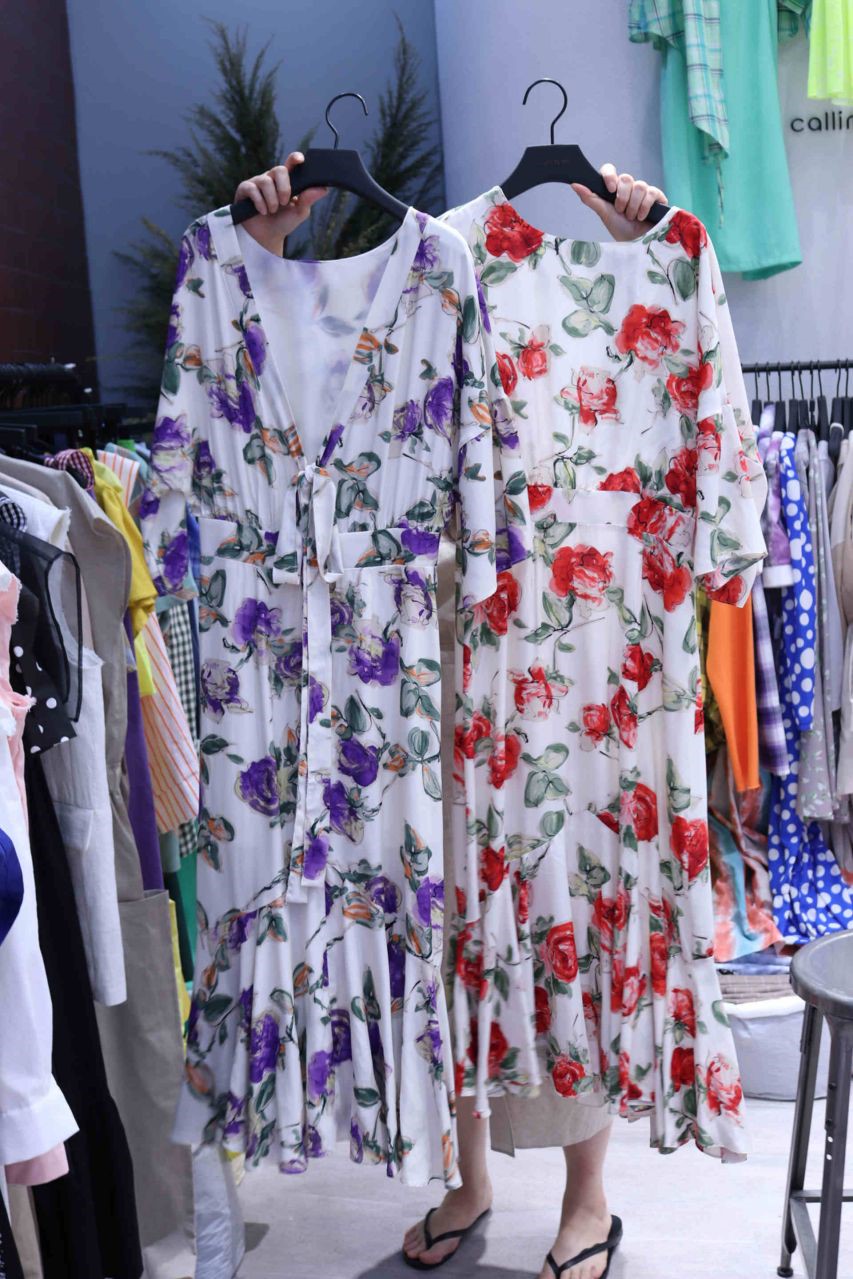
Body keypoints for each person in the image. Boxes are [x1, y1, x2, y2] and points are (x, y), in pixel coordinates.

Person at [233, 155, 668, 1279]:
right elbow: (292, 389)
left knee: (561, 894)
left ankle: (587, 1196)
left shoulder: (599, 267)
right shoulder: (432, 258)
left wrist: (643, 248)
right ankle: (467, 1179)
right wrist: (264, 249)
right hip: (430, 643)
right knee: (451, 920)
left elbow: (661, 378)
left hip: (562, 644)